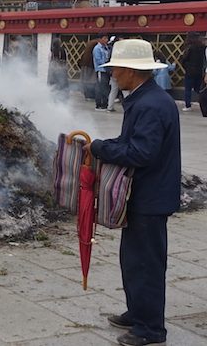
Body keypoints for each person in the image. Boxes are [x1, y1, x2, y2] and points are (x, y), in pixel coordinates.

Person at [89, 39, 180, 346]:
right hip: (142, 194)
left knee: (146, 264)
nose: (113, 74)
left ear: (131, 70)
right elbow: (133, 143)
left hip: (150, 196)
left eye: (115, 68)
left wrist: (101, 149)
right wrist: (108, 145)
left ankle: (151, 329)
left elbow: (141, 153)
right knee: (133, 260)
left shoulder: (151, 105)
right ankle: (138, 311)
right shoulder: (144, 99)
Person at [179, 33, 205, 112]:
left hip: (190, 72)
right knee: (199, 88)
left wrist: (186, 66)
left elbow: (184, 59)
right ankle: (203, 102)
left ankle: (188, 105)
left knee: (188, 89)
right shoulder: (202, 48)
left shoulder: (189, 48)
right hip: (199, 71)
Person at [94, 34, 111, 111]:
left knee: (105, 87)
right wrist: (106, 62)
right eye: (104, 38)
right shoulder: (97, 48)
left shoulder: (106, 48)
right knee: (100, 87)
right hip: (101, 70)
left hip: (106, 70)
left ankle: (105, 103)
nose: (106, 40)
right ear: (100, 39)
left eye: (107, 38)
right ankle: (99, 104)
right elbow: (98, 60)